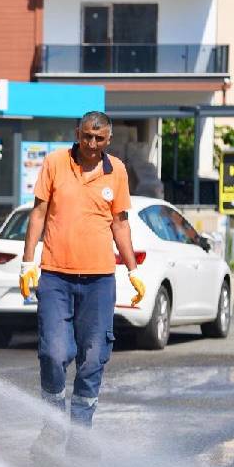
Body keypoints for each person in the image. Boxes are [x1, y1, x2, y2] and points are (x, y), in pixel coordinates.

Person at [19, 111, 146, 436]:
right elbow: (38, 213)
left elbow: (120, 224)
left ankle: (80, 436)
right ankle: (53, 424)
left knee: (93, 359)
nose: (91, 144)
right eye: (87, 136)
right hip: (55, 278)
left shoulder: (116, 171)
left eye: (99, 138)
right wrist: (27, 262)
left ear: (108, 140)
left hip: (99, 282)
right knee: (53, 353)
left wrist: (132, 270)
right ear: (78, 133)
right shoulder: (55, 163)